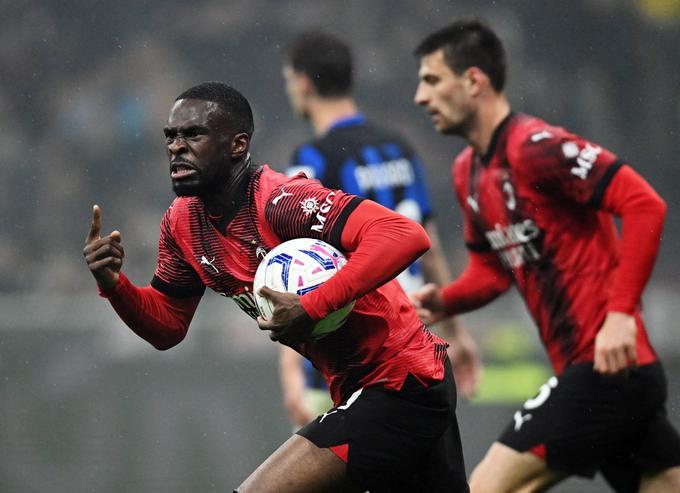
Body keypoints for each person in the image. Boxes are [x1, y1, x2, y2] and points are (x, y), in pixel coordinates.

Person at [83, 81, 469, 492]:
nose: (176, 147)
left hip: (402, 382)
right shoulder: (182, 224)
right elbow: (167, 327)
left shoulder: (282, 202)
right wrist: (115, 285)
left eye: (193, 134)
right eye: (171, 136)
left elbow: (404, 234)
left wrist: (313, 305)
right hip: (369, 388)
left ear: (238, 145)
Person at [411, 20, 680, 493]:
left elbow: (644, 205)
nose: (420, 96)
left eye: (431, 80)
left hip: (607, 366)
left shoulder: (537, 147)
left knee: (490, 486)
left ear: (473, 81)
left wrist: (620, 315)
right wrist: (446, 301)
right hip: (605, 377)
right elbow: (494, 270)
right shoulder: (467, 172)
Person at [279, 29, 480, 427]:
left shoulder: (312, 160)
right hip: (412, 340)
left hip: (350, 346)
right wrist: (456, 333)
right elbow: (430, 246)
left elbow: (295, 265)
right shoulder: (398, 147)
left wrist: (290, 371)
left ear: (302, 83)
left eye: (288, 81)